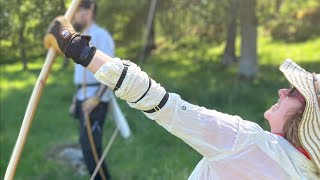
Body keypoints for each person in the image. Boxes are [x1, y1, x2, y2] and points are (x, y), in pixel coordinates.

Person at [44, 16, 320, 179]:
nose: (283, 91)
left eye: (294, 92)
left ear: (310, 117)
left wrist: (74, 45)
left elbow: (160, 102)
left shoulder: (246, 142)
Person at [67, 1, 114, 179]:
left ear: (90, 10)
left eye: (78, 11)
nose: (75, 16)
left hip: (95, 101)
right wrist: (75, 99)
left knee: (92, 149)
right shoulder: (80, 36)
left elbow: (111, 72)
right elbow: (81, 76)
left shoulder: (100, 35)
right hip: (82, 97)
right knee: (86, 146)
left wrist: (96, 99)